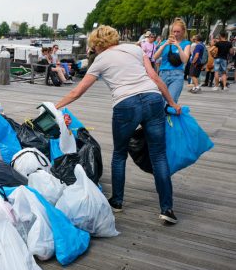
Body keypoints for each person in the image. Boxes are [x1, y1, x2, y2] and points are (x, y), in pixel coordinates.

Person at [55, 25, 182, 224]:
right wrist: (173, 103)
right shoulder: (136, 49)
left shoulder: (100, 60)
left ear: (97, 44)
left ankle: (117, 201)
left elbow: (77, 91)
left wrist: (54, 107)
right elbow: (155, 78)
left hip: (126, 104)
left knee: (119, 154)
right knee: (158, 155)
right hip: (153, 98)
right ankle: (167, 208)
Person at [153, 18, 191, 103]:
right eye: (174, 31)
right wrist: (164, 45)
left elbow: (185, 60)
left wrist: (178, 46)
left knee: (171, 102)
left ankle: (170, 116)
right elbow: (154, 57)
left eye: (178, 31)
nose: (176, 34)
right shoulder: (165, 42)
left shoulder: (186, 44)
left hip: (177, 75)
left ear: (183, 31)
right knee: (160, 102)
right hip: (163, 74)